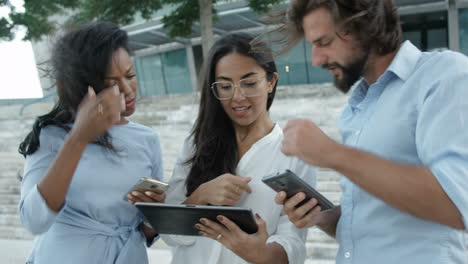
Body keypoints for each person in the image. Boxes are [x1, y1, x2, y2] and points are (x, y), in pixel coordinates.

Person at [269, 0, 468, 263]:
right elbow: (373, 222)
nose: (316, 59)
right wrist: (320, 216)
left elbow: (455, 206)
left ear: (364, 27)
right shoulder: (357, 107)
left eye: (324, 42)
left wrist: (331, 153)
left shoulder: (444, 75)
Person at [161, 32, 315, 264]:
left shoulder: (294, 153)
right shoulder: (196, 144)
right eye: (225, 86)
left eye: (249, 83)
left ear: (271, 81)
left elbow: (294, 243)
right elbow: (170, 234)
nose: (238, 97)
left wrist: (258, 253)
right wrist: (199, 197)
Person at [18, 21, 165, 264]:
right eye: (111, 83)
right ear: (83, 87)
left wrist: (156, 211)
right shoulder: (53, 136)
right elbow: (34, 220)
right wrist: (79, 137)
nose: (128, 90)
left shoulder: (148, 139)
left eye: (130, 75)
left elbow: (147, 230)